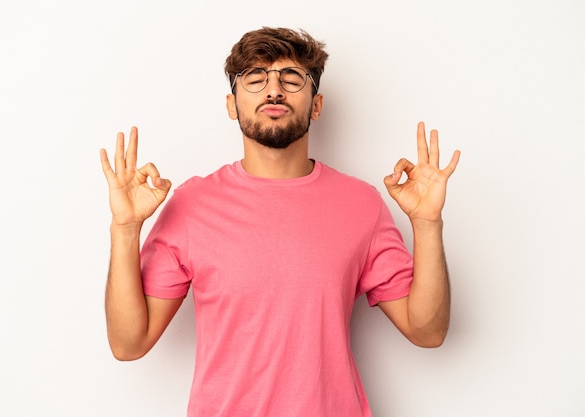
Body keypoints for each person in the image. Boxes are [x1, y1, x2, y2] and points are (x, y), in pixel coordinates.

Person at [99, 27, 460, 417]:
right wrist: (124, 229)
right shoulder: (191, 205)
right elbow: (128, 344)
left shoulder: (361, 204)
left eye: (291, 78)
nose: (274, 90)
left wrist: (427, 224)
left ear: (316, 105)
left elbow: (427, 332)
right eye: (255, 79)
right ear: (232, 104)